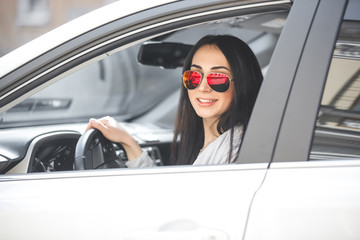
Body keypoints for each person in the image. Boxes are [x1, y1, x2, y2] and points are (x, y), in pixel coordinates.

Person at [86, 35, 263, 167]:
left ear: (242, 84)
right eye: (194, 76)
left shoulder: (234, 149)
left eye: (217, 78)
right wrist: (127, 142)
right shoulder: (219, 142)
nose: (202, 87)